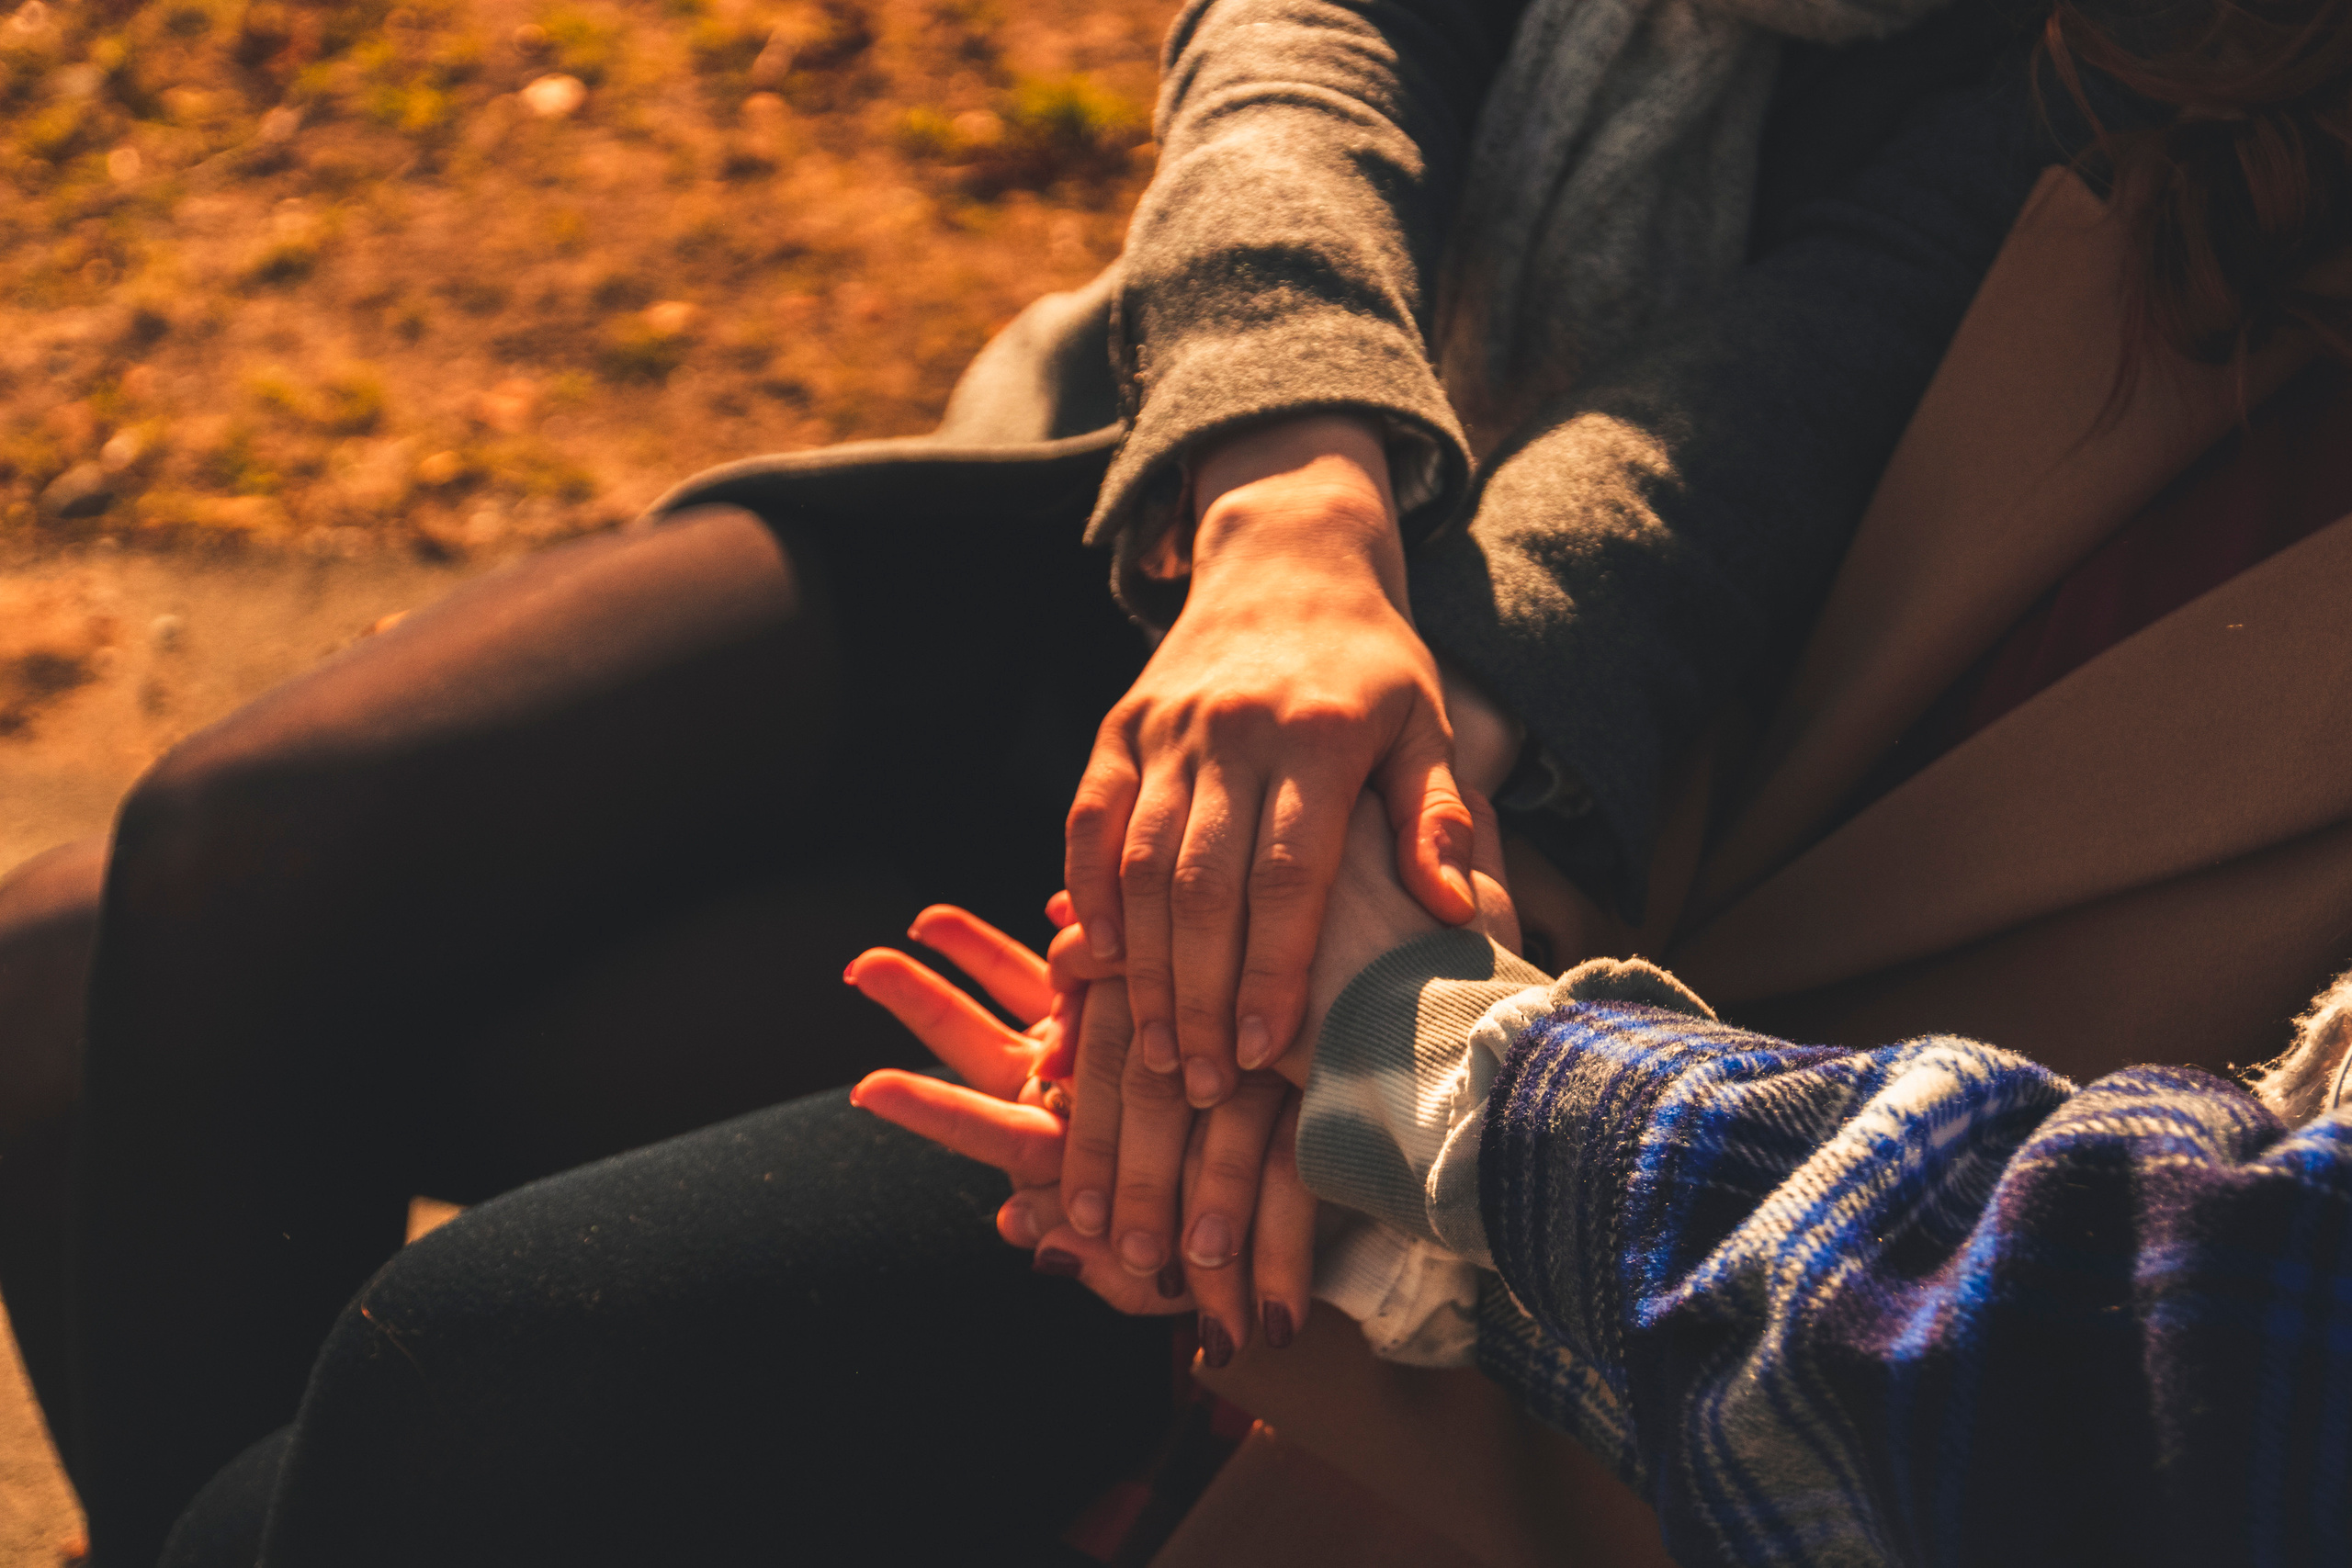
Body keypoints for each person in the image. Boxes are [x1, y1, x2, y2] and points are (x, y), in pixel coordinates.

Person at [13, 0, 2346, 1564]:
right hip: (1214, 490)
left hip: (1552, 727)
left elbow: (1768, 405)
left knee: (436, 1353)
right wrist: (1284, 492)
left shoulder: (2160, 84)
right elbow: (1302, 38)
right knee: (140, 907)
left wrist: (1396, 729)